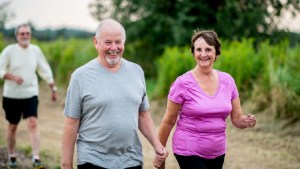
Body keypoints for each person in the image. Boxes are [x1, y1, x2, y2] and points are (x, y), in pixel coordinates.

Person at [61, 19, 168, 169]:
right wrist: (66, 165)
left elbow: (142, 115)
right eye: (108, 42)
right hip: (92, 158)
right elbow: (71, 123)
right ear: (96, 42)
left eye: (118, 42)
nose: (114, 48)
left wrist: (157, 145)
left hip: (131, 158)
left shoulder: (136, 71)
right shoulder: (80, 76)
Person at [154, 30, 257, 169]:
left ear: (216, 53)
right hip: (188, 150)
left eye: (208, 49)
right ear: (193, 53)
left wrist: (245, 121)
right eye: (198, 50)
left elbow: (237, 119)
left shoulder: (228, 81)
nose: (203, 54)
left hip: (218, 151)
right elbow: (168, 120)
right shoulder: (182, 83)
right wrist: (160, 153)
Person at [0, 23, 58, 169]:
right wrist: (11, 77)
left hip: (30, 94)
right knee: (12, 126)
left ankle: (36, 158)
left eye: (27, 33)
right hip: (12, 96)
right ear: (17, 36)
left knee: (33, 122)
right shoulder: (9, 50)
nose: (25, 36)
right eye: (22, 33)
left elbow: (44, 69)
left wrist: (53, 87)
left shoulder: (35, 50)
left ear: (30, 35)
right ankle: (12, 155)